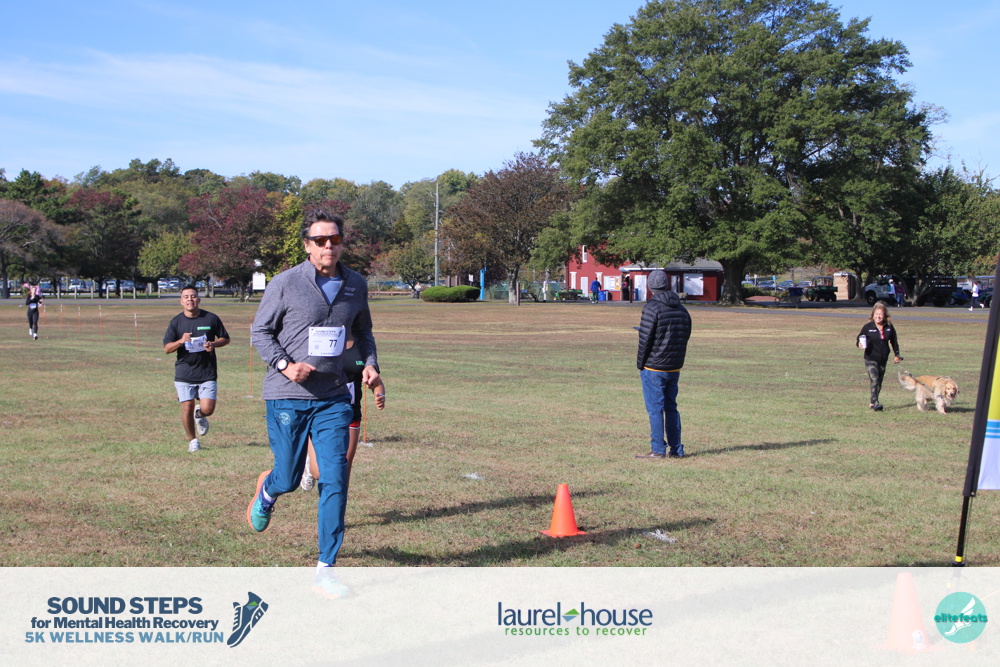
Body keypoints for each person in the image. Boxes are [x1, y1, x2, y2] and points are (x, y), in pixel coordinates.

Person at [248, 207, 381, 592]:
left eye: (334, 239)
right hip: (287, 395)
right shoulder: (285, 282)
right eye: (320, 240)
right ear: (307, 245)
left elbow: (364, 332)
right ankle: (269, 490)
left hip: (333, 397)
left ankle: (326, 568)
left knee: (335, 476)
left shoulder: (355, 284)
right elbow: (260, 332)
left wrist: (371, 364)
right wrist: (285, 365)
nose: (328, 246)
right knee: (290, 477)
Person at [300, 338, 386, 492]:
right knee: (319, 472)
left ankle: (338, 507)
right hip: (323, 414)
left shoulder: (363, 344)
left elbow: (376, 381)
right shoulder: (323, 339)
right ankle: (309, 461)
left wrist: (380, 395)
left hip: (351, 415)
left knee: (343, 471)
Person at [163, 285, 230, 452]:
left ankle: (200, 415)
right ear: (181, 301)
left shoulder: (211, 318)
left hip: (207, 371)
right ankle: (193, 441)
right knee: (187, 407)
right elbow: (167, 349)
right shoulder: (176, 322)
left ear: (198, 299)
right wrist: (180, 341)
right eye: (186, 297)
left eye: (193, 296)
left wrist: (213, 344)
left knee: (208, 409)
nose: (190, 300)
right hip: (184, 371)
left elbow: (225, 338)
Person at [636, 269, 692, 459]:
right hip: (674, 365)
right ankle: (676, 449)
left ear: (650, 287)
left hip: (654, 366)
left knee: (655, 409)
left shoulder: (651, 308)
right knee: (671, 407)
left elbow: (645, 339)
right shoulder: (682, 309)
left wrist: (640, 363)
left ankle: (658, 449)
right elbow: (685, 334)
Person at [856, 302, 901, 411]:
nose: (878, 316)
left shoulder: (889, 327)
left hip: (883, 358)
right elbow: (859, 338)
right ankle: (875, 402)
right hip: (870, 357)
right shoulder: (868, 327)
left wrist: (897, 355)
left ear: (885, 315)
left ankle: (872, 402)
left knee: (879, 382)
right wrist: (859, 344)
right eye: (876, 314)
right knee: (874, 378)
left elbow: (894, 342)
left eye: (880, 314)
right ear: (873, 315)